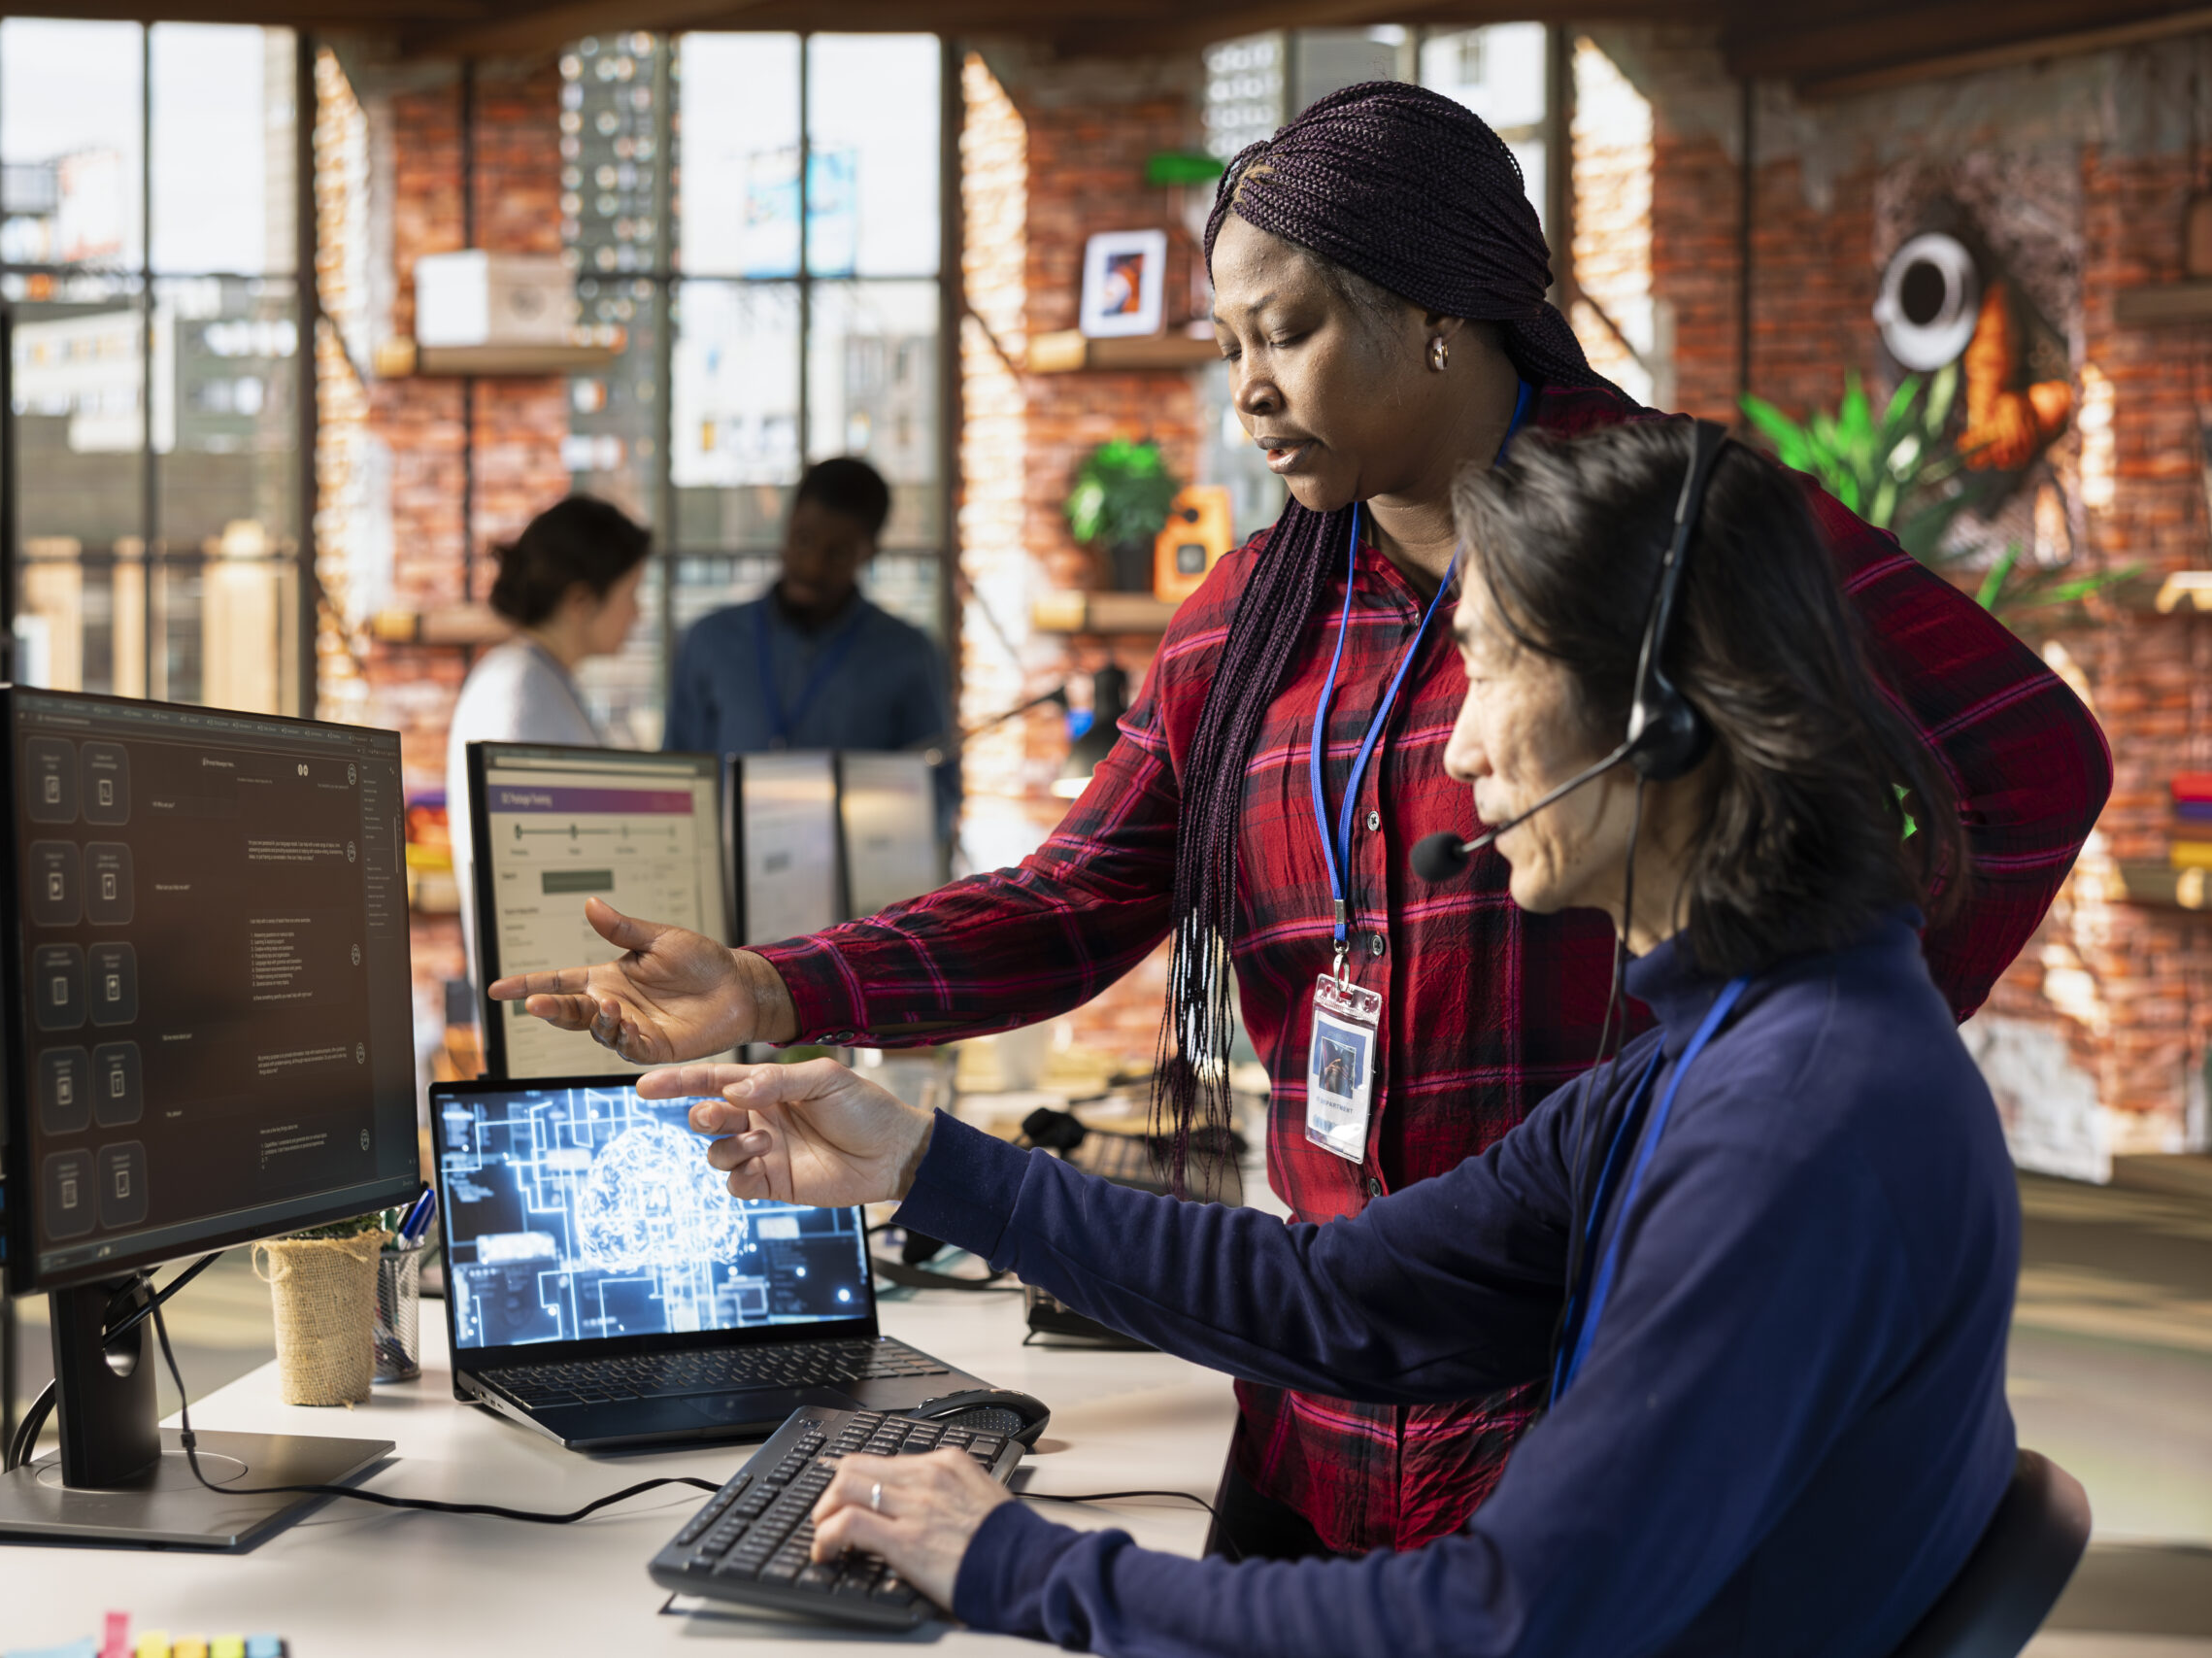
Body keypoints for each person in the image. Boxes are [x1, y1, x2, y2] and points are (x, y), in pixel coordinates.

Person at [492, 83, 2108, 1560]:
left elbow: (2032, 760)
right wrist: (780, 987)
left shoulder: (1671, 532)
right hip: (1326, 1364)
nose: (1252, 394)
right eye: (1228, 349)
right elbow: (1076, 898)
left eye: (1292, 332)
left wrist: (1782, 1056)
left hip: (1598, 1364)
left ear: (1440, 320)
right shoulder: (1248, 618)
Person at [641, 419, 2021, 1658]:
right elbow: (1345, 1297)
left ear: (1652, 721)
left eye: (1489, 669)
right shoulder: (1724, 1047)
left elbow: (1497, 1620)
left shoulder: (1789, 1118)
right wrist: (931, 1163)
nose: (1461, 748)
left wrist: (1013, 1560)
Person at [664, 456, 958, 841]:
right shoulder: (709, 640)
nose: (812, 566)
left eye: (837, 553)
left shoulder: (908, 653)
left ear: (867, 551)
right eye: (803, 540)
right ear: (787, 525)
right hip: (725, 887)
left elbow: (938, 795)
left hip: (855, 893)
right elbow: (675, 781)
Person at [446, 493, 651, 985]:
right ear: (581, 600)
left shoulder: (544, 681)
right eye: (631, 593)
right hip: (543, 988)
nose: (638, 613)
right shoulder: (519, 692)